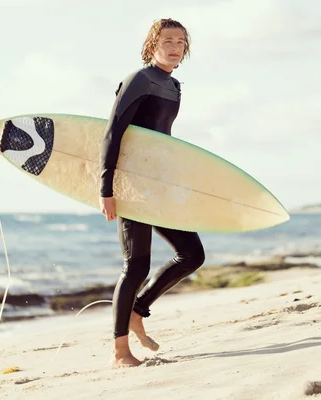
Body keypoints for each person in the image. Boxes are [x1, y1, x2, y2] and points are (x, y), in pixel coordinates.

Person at [98, 18, 206, 368]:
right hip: (131, 184)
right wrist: (107, 188)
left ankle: (138, 310)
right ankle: (120, 352)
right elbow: (113, 133)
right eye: (167, 40)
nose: (175, 46)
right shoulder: (139, 80)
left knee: (191, 253)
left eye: (180, 41)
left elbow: (162, 141)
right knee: (136, 265)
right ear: (152, 44)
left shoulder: (173, 85)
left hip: (158, 185)